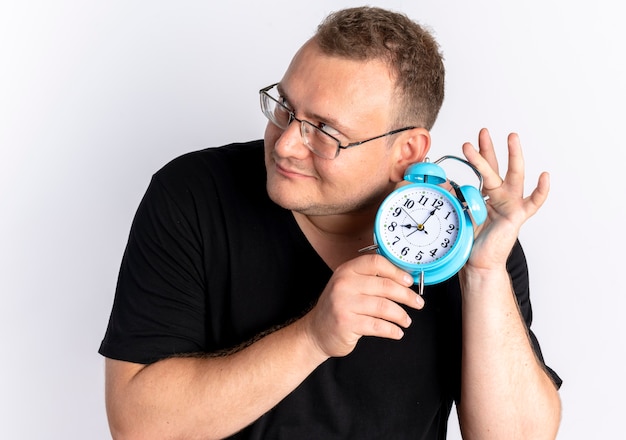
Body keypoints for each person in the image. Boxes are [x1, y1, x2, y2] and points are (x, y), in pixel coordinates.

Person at [99, 6, 562, 439]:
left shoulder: (460, 237)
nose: (284, 146)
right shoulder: (192, 194)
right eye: (285, 108)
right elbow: (138, 424)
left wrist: (483, 276)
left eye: (324, 133)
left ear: (407, 153)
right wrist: (313, 337)